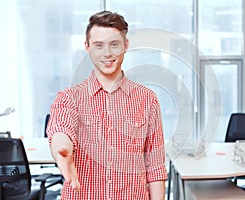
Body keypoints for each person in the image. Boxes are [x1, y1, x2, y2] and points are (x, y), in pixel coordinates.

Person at [46, 10, 167, 200]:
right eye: (99, 45)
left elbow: (155, 167)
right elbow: (61, 128)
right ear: (87, 47)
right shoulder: (69, 97)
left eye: (114, 44)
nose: (107, 53)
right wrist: (62, 147)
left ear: (126, 45)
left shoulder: (147, 99)